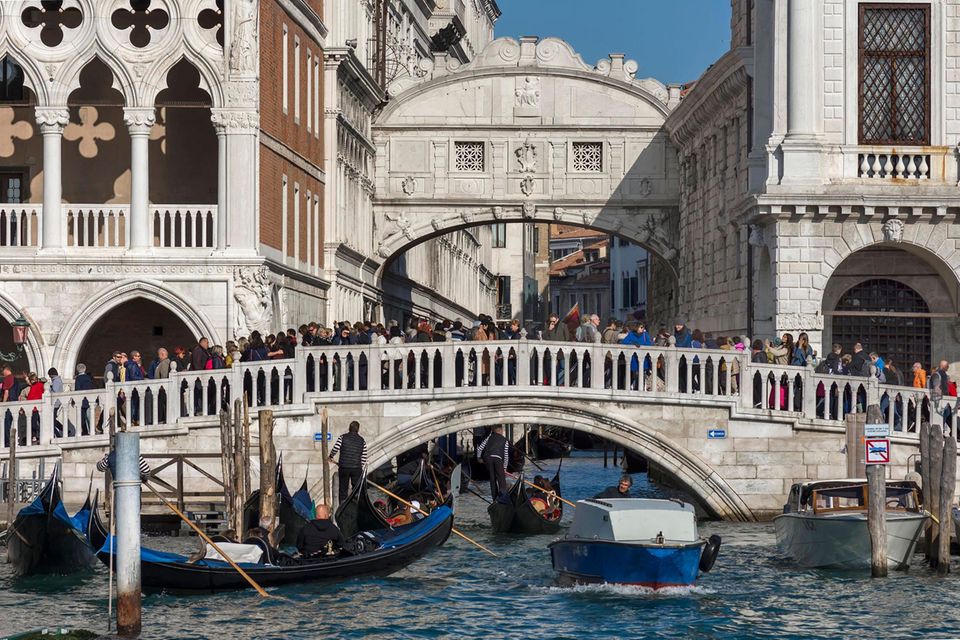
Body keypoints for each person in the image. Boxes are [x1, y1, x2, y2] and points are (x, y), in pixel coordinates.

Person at [328, 421, 367, 503]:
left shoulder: (342, 437)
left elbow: (335, 448)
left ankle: (342, 505)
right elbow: (364, 456)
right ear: (358, 429)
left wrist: (331, 456)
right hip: (356, 468)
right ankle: (355, 504)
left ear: (349, 428)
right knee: (356, 489)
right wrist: (359, 465)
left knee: (343, 489)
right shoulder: (362, 440)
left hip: (344, 467)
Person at [477, 425, 509, 500]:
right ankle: (503, 498)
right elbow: (506, 455)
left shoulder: (489, 437)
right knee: (501, 479)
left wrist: (478, 458)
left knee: (492, 479)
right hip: (498, 459)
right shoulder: (505, 440)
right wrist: (504, 468)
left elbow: (480, 448)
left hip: (488, 458)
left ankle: (494, 498)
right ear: (501, 430)